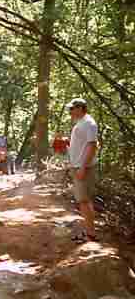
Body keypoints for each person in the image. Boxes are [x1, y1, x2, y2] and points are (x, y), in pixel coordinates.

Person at [66, 98, 98, 242]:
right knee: (84, 201)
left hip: (83, 167)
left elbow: (92, 146)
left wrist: (83, 168)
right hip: (79, 166)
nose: (70, 112)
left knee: (84, 201)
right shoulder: (82, 122)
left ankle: (91, 234)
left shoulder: (88, 123)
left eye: (72, 109)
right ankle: (89, 231)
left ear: (80, 108)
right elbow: (84, 144)